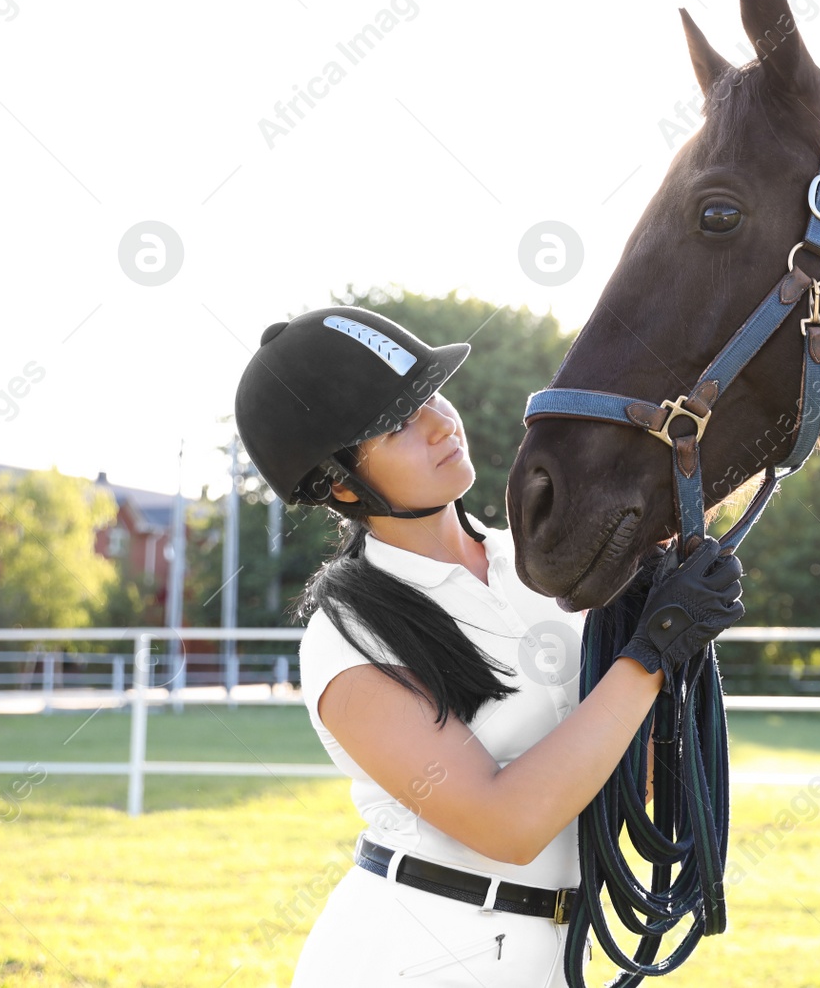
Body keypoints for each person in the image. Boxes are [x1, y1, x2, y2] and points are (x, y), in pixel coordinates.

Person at [232, 305, 744, 986]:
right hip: (419, 958)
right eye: (399, 422)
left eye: (430, 397)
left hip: (558, 952)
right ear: (342, 483)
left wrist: (673, 627)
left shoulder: (544, 568)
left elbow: (620, 778)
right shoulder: (345, 636)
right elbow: (508, 822)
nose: (442, 422)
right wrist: (651, 652)